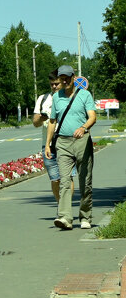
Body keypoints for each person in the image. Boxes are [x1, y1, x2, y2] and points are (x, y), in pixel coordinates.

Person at [45, 65, 98, 230]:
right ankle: (65, 217)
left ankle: (85, 216)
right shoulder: (57, 97)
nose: (65, 80)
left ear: (74, 77)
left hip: (82, 141)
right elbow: (52, 121)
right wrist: (48, 144)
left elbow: (93, 117)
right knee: (64, 181)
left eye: (68, 77)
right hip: (62, 143)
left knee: (85, 180)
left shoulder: (84, 95)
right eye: (62, 78)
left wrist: (83, 128)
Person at [33, 72, 70, 203]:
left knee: (67, 177)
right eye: (52, 84)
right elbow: (35, 123)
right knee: (55, 179)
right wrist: (41, 118)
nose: (54, 87)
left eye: (57, 84)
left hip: (66, 142)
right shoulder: (43, 98)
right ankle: (61, 205)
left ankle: (67, 208)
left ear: (63, 82)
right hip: (48, 144)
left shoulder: (68, 97)